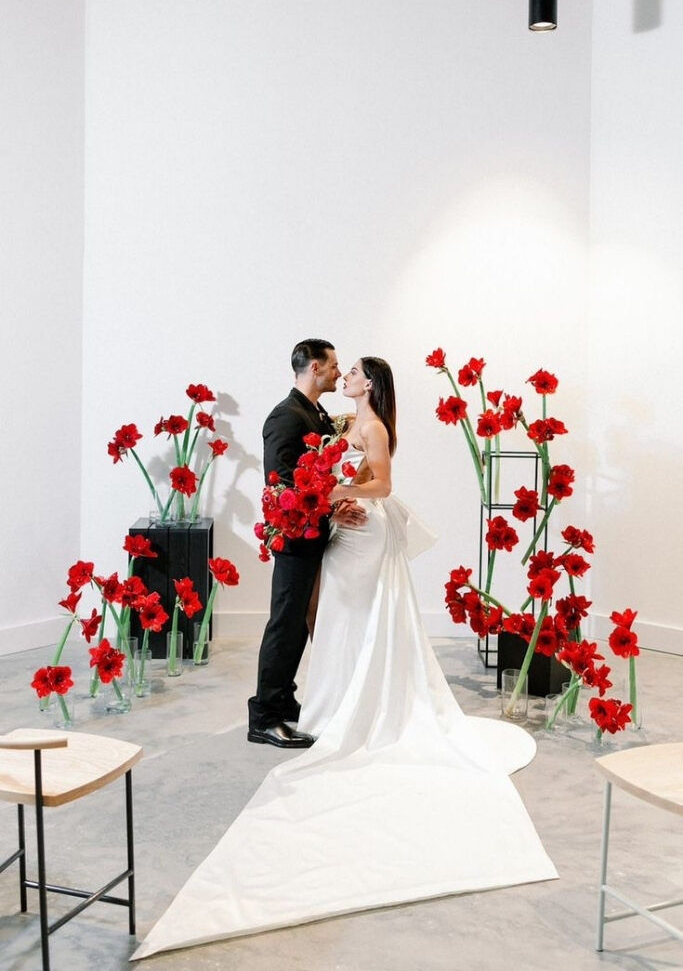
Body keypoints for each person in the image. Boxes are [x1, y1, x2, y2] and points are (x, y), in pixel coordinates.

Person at [132, 355, 557, 961]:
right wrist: (327, 494)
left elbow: (382, 484)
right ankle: (330, 704)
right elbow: (300, 467)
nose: (346, 375)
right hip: (341, 531)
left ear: (370, 384)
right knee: (336, 623)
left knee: (353, 621)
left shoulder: (371, 425)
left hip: (363, 530)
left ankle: (353, 705)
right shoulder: (334, 420)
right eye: (340, 368)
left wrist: (334, 491)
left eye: (354, 371)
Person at [247, 338, 366, 748]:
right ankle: (264, 716)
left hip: (312, 534)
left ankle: (283, 699)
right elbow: (280, 484)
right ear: (314, 367)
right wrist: (331, 510)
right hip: (295, 535)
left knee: (298, 623)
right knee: (285, 622)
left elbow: (322, 467)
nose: (339, 371)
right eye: (334, 365)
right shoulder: (286, 417)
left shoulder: (313, 412)